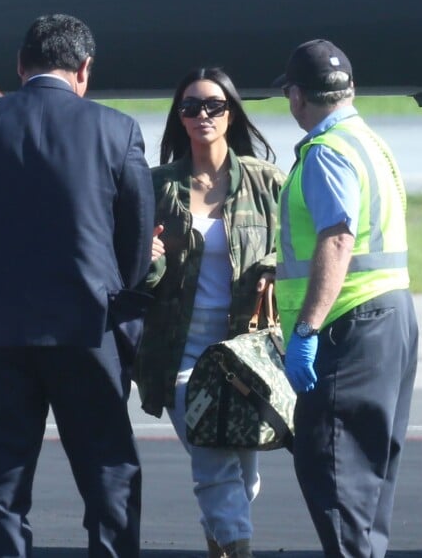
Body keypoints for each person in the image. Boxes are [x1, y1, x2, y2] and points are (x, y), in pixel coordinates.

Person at [0, 14, 155, 557]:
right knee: (108, 469)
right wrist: (110, 282)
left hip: (0, 327)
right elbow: (137, 234)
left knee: (4, 474)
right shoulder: (117, 129)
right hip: (87, 324)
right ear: (84, 69)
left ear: (21, 66)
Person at [272, 39, 419, 557]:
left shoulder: (324, 152)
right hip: (391, 317)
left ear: (295, 96)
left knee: (334, 472)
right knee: (369, 480)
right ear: (348, 88)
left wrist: (307, 330)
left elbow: (338, 236)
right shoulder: (369, 142)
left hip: (348, 324)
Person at [134, 66, 287, 558]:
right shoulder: (157, 186)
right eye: (191, 106)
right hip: (181, 356)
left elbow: (300, 247)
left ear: (231, 113)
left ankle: (219, 547)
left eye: (214, 106)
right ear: (178, 118)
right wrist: (147, 261)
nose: (202, 114)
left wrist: (273, 265)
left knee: (244, 476)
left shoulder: (266, 182)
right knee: (215, 463)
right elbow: (129, 269)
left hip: (246, 356)